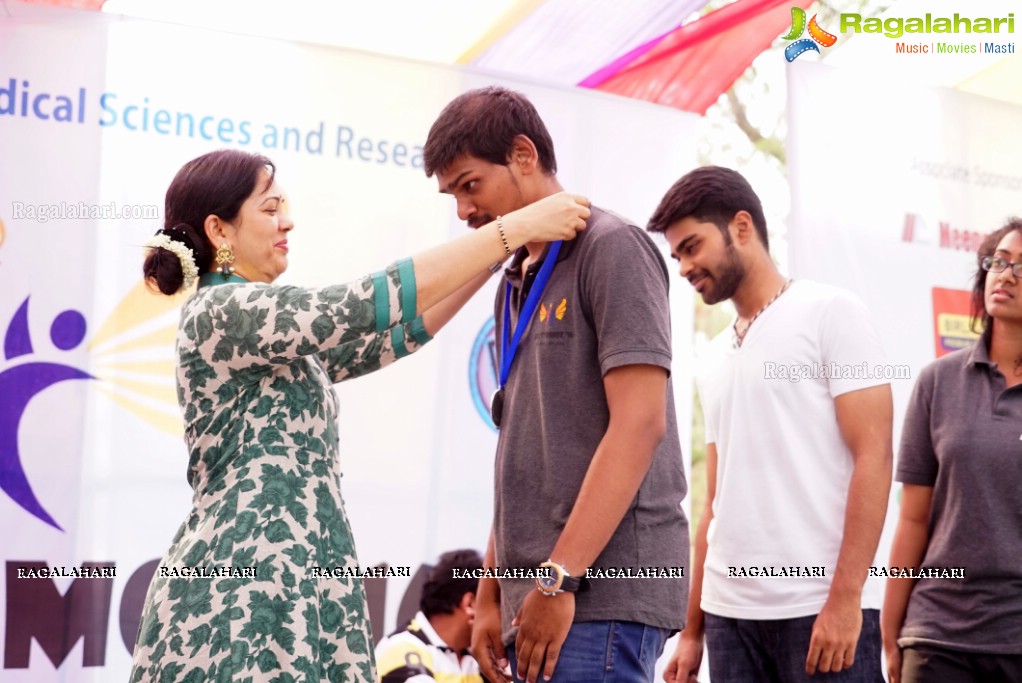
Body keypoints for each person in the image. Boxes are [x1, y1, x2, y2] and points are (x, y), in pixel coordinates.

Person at [129, 148, 589, 683]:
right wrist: (515, 228)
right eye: (271, 207)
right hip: (248, 585)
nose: (288, 220)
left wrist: (493, 257)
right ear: (219, 230)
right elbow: (367, 300)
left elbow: (397, 335)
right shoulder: (222, 310)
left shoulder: (271, 332)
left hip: (296, 575)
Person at [423, 86, 690, 683]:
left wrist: (558, 577)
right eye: (453, 195)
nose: (464, 210)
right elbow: (522, 453)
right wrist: (491, 593)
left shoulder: (612, 246)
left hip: (600, 588)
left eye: (470, 185)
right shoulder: (512, 279)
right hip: (539, 593)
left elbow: (641, 424)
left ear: (523, 155)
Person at [647, 166, 893, 683]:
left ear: (741, 227)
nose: (686, 267)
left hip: (820, 607)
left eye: (692, 246)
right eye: (678, 256)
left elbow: (875, 458)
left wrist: (847, 600)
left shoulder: (833, 313)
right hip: (729, 616)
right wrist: (693, 630)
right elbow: (715, 503)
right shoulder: (713, 358)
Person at [881, 219, 1022, 683]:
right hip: (937, 635)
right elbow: (914, 519)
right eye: (1000, 261)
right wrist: (891, 630)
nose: (1006, 274)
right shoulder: (937, 381)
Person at [376, 549, 486, 683]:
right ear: (470, 604)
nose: (506, 617)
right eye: (497, 603)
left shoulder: (480, 659)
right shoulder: (400, 647)